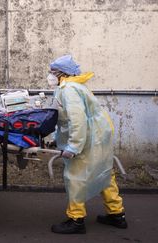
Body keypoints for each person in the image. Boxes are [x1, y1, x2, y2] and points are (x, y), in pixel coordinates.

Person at [47, 55, 127, 234]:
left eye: (53, 72)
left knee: (75, 177)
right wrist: (57, 138)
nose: (50, 75)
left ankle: (76, 220)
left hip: (88, 138)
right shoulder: (76, 86)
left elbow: (77, 120)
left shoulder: (69, 89)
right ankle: (117, 214)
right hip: (98, 135)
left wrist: (73, 147)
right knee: (104, 171)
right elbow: (68, 120)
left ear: (62, 73)